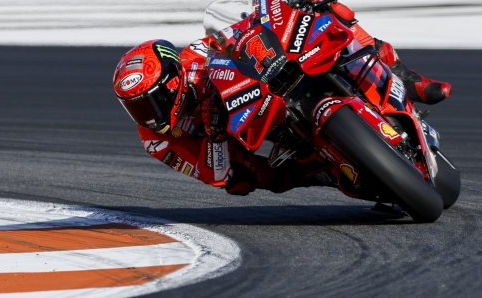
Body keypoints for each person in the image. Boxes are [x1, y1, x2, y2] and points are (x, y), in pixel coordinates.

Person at [112, 1, 451, 196]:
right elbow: (216, 176)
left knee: (331, 15)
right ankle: (323, 171)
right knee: (250, 181)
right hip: (246, 136)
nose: (144, 115)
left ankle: (407, 77)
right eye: (134, 107)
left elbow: (237, 32)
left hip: (266, 86)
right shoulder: (156, 141)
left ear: (173, 82)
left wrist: (286, 9)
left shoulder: (194, 60)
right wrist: (215, 133)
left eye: (147, 102)